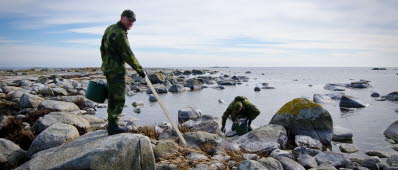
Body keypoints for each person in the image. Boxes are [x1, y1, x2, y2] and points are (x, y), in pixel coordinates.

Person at [100, 9, 146, 135]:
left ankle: (112, 124)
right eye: (129, 20)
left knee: (112, 96)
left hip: (109, 68)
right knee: (118, 97)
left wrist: (105, 63)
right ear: (122, 18)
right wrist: (139, 69)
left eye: (133, 21)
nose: (131, 23)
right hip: (116, 70)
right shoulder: (119, 33)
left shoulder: (110, 28)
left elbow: (102, 48)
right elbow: (127, 54)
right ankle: (113, 126)